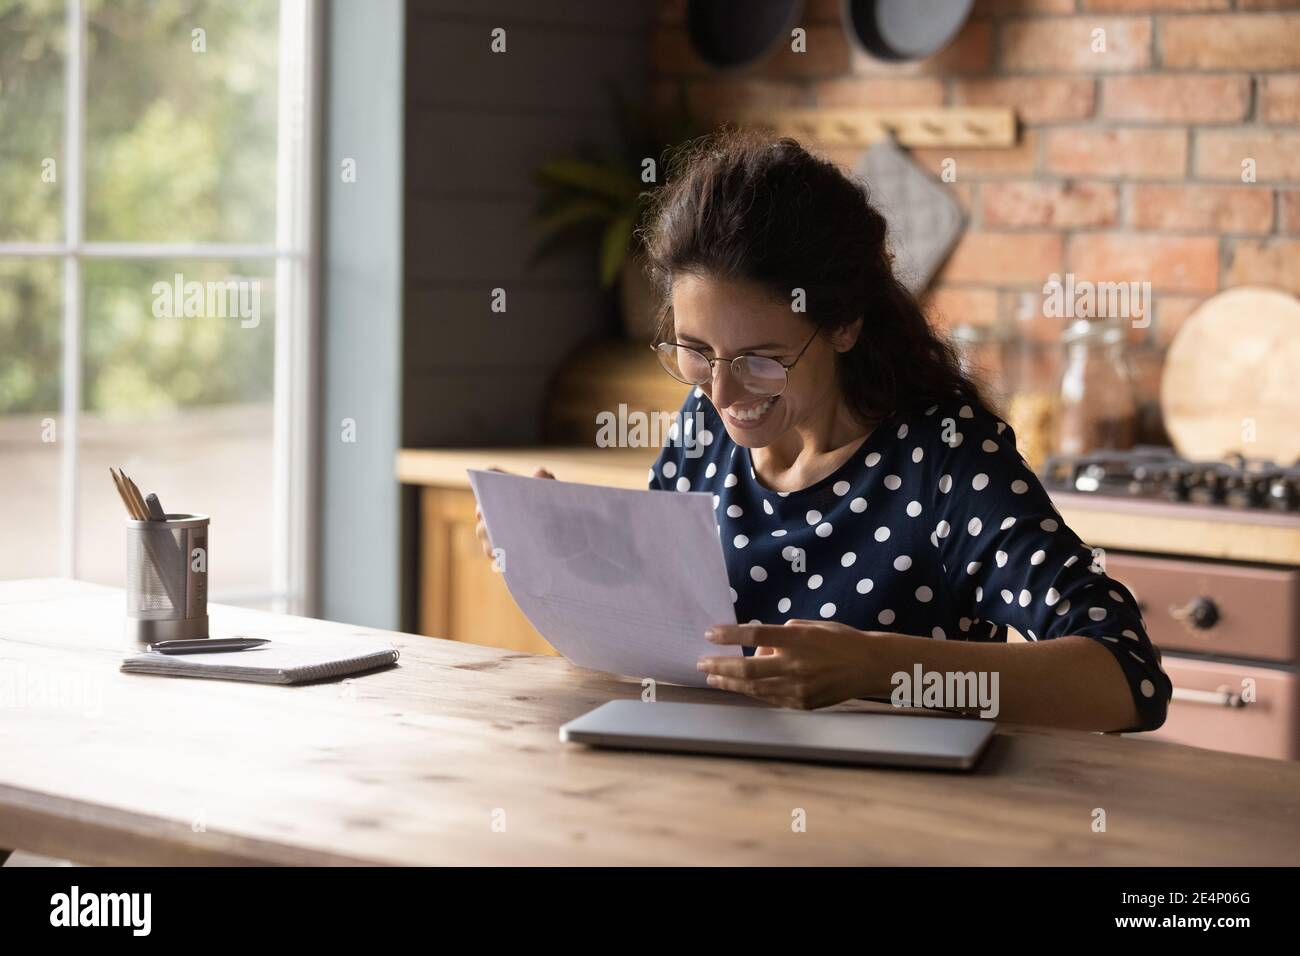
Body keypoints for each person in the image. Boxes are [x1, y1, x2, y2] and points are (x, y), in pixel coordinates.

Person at [479, 130, 1171, 733]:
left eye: (761, 360)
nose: (721, 392)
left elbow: (1126, 676)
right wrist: (561, 544)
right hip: (705, 812)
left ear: (843, 323)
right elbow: (666, 627)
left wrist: (879, 668)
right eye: (697, 351)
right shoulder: (706, 428)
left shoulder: (947, 461)